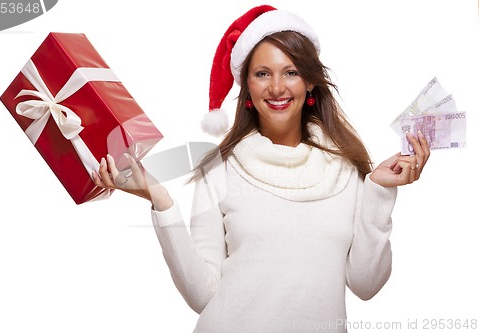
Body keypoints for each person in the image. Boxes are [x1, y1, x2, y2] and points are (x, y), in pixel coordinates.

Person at [93, 5, 430, 332]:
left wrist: (381, 191)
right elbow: (202, 295)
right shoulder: (220, 168)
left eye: (292, 72)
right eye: (262, 73)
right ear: (247, 87)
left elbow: (366, 285)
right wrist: (160, 199)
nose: (277, 87)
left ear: (310, 82)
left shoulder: (346, 170)